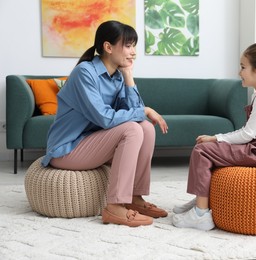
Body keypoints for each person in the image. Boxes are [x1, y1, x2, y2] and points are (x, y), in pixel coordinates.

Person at [41, 20, 169, 227]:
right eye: (128, 45)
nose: (134, 52)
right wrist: (144, 110)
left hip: (91, 143)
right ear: (108, 47)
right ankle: (115, 206)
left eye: (134, 45)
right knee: (132, 129)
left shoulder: (117, 77)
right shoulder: (85, 73)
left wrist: (128, 75)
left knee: (145, 127)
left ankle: (134, 199)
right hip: (67, 149)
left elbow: (136, 114)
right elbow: (104, 118)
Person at [172, 42, 256, 231]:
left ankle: (201, 214)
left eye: (243, 67)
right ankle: (203, 200)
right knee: (211, 152)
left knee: (202, 150)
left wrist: (215, 138)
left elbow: (247, 134)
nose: (238, 72)